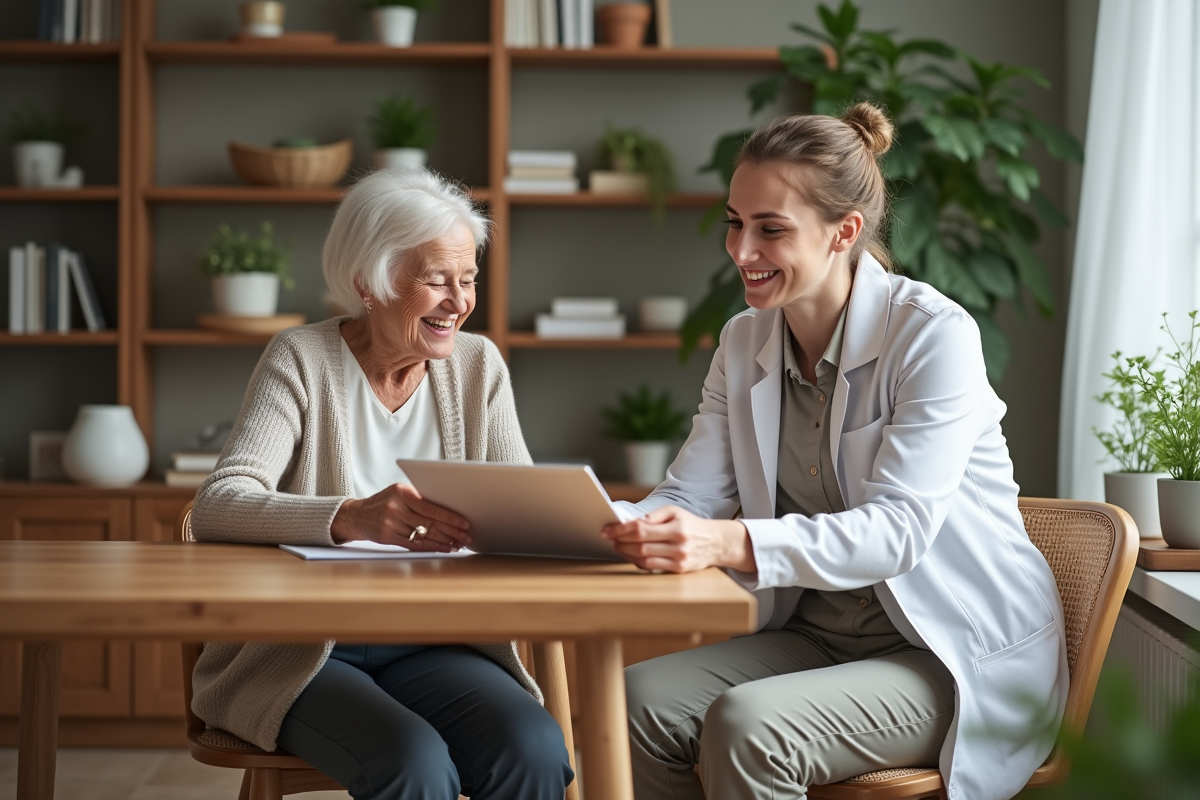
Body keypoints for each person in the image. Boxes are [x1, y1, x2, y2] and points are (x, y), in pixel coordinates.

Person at [603, 104, 1067, 800]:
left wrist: (725, 543)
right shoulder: (743, 343)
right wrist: (600, 519)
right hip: (819, 638)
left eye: (771, 230)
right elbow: (691, 497)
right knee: (635, 702)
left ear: (844, 232)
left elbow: (897, 531)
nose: (740, 251)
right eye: (735, 222)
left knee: (749, 727)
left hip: (945, 652)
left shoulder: (933, 336)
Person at [190, 168, 574, 800]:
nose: (460, 301)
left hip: (438, 641)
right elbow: (219, 504)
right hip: (307, 651)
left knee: (532, 749)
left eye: (469, 278)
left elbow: (521, 511)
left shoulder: (479, 368)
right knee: (414, 763)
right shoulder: (301, 360)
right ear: (370, 282)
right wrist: (350, 517)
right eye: (436, 280)